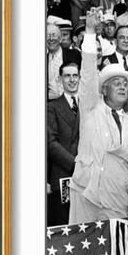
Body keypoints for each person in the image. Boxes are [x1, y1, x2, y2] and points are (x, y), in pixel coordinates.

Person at [68, 10, 128, 225]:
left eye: (125, 84)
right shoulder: (91, 108)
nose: (121, 86)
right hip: (85, 197)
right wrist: (90, 32)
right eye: (115, 83)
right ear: (104, 89)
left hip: (117, 203)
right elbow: (89, 73)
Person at [47, 61, 81, 226]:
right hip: (64, 174)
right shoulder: (51, 107)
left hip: (87, 177)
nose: (72, 79)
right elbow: (51, 144)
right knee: (65, 225)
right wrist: (75, 164)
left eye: (75, 75)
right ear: (60, 79)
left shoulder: (88, 106)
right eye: (67, 76)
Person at [101, 25, 128, 111]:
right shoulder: (106, 61)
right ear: (116, 41)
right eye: (122, 37)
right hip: (112, 110)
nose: (126, 40)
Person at [47, 23, 82, 100]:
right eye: (47, 36)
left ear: (60, 39)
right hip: (50, 104)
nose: (51, 39)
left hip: (74, 101)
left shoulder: (74, 54)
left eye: (53, 35)